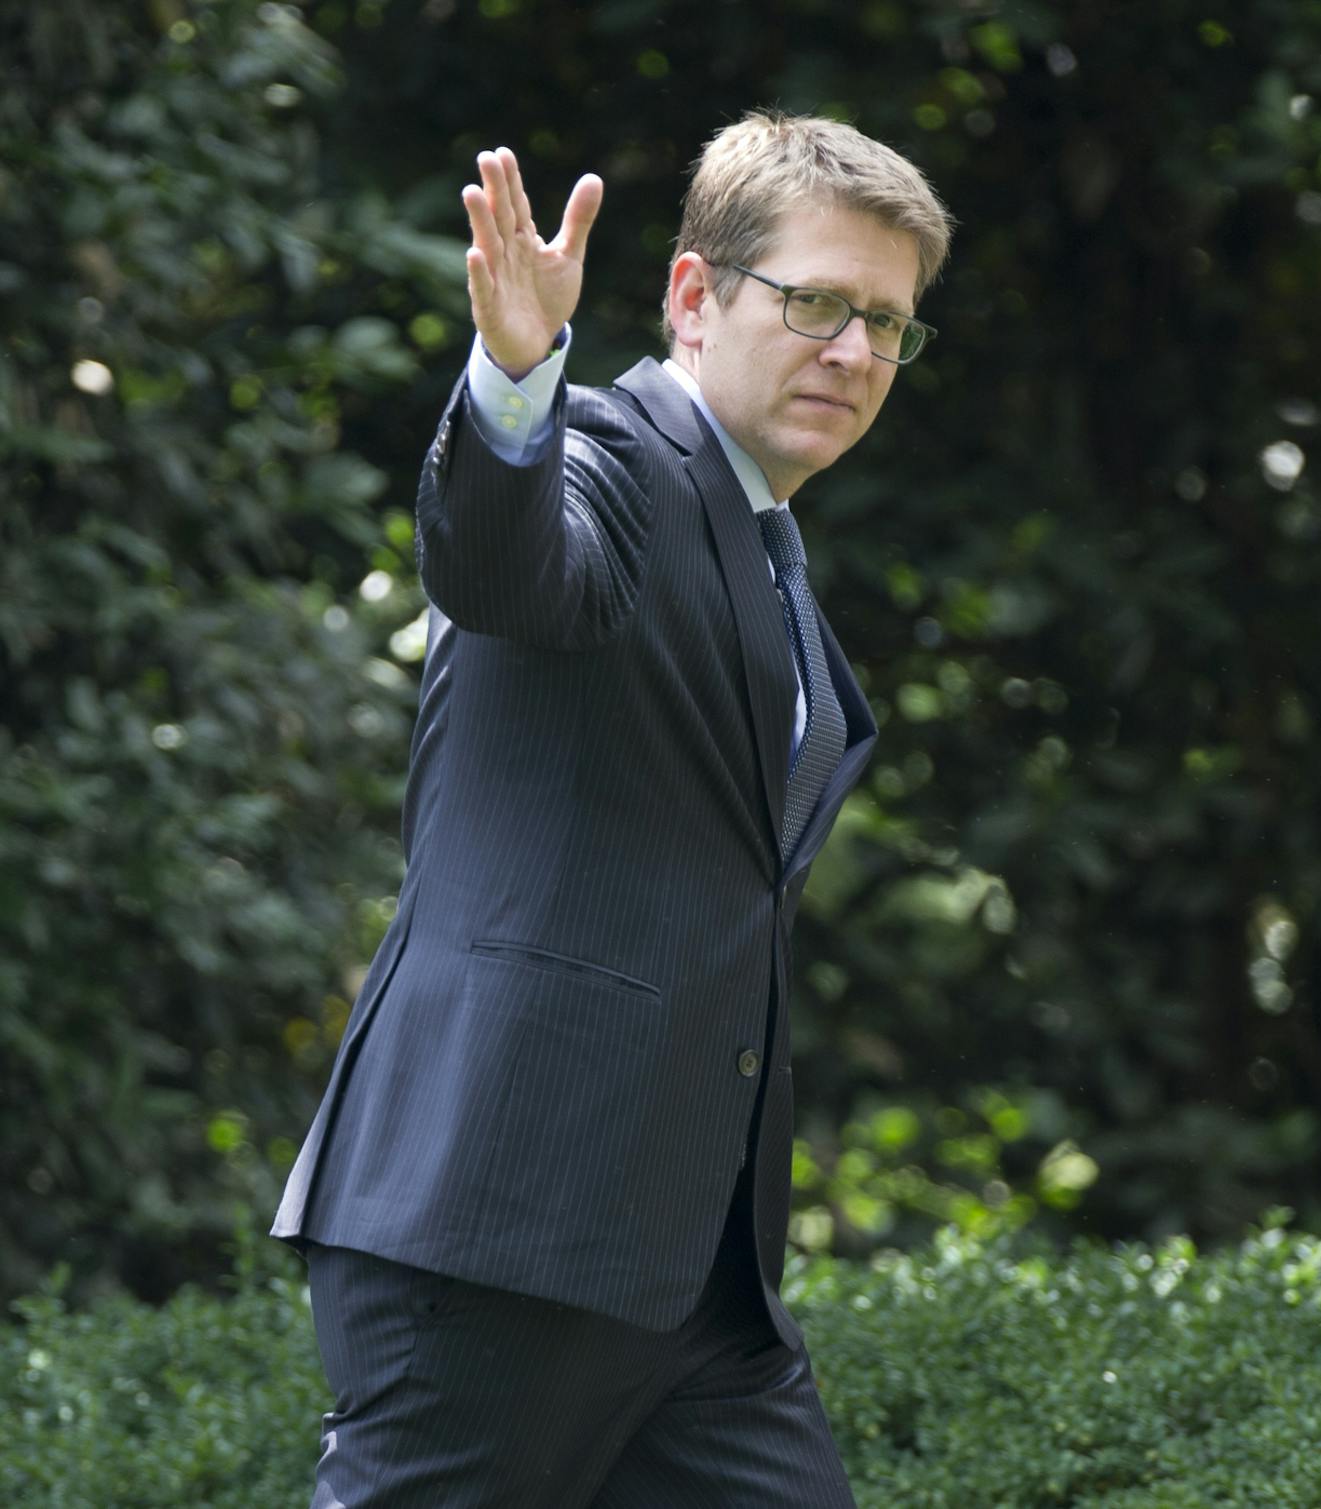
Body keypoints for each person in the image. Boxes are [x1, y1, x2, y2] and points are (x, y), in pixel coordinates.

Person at [271, 110, 953, 1507]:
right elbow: (507, 561)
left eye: (887, 323)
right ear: (696, 296)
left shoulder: (770, 547)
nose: (854, 351)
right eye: (818, 302)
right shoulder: (612, 457)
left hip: (695, 1287)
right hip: (501, 1231)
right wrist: (518, 375)